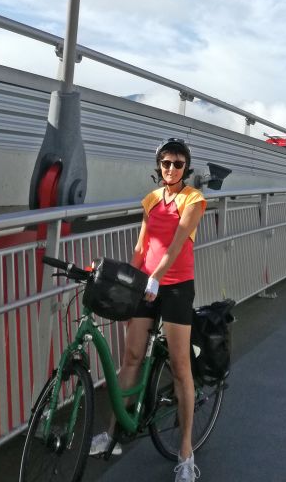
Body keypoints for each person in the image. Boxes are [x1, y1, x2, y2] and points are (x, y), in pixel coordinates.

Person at [90, 137, 206, 481]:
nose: (171, 169)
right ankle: (113, 434)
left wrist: (156, 277)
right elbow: (142, 246)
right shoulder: (152, 199)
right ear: (159, 166)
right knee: (131, 358)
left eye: (178, 163)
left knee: (181, 367)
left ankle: (186, 452)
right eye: (166, 163)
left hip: (176, 287)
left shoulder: (193, 199)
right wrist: (130, 280)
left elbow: (177, 240)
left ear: (187, 167)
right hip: (147, 286)